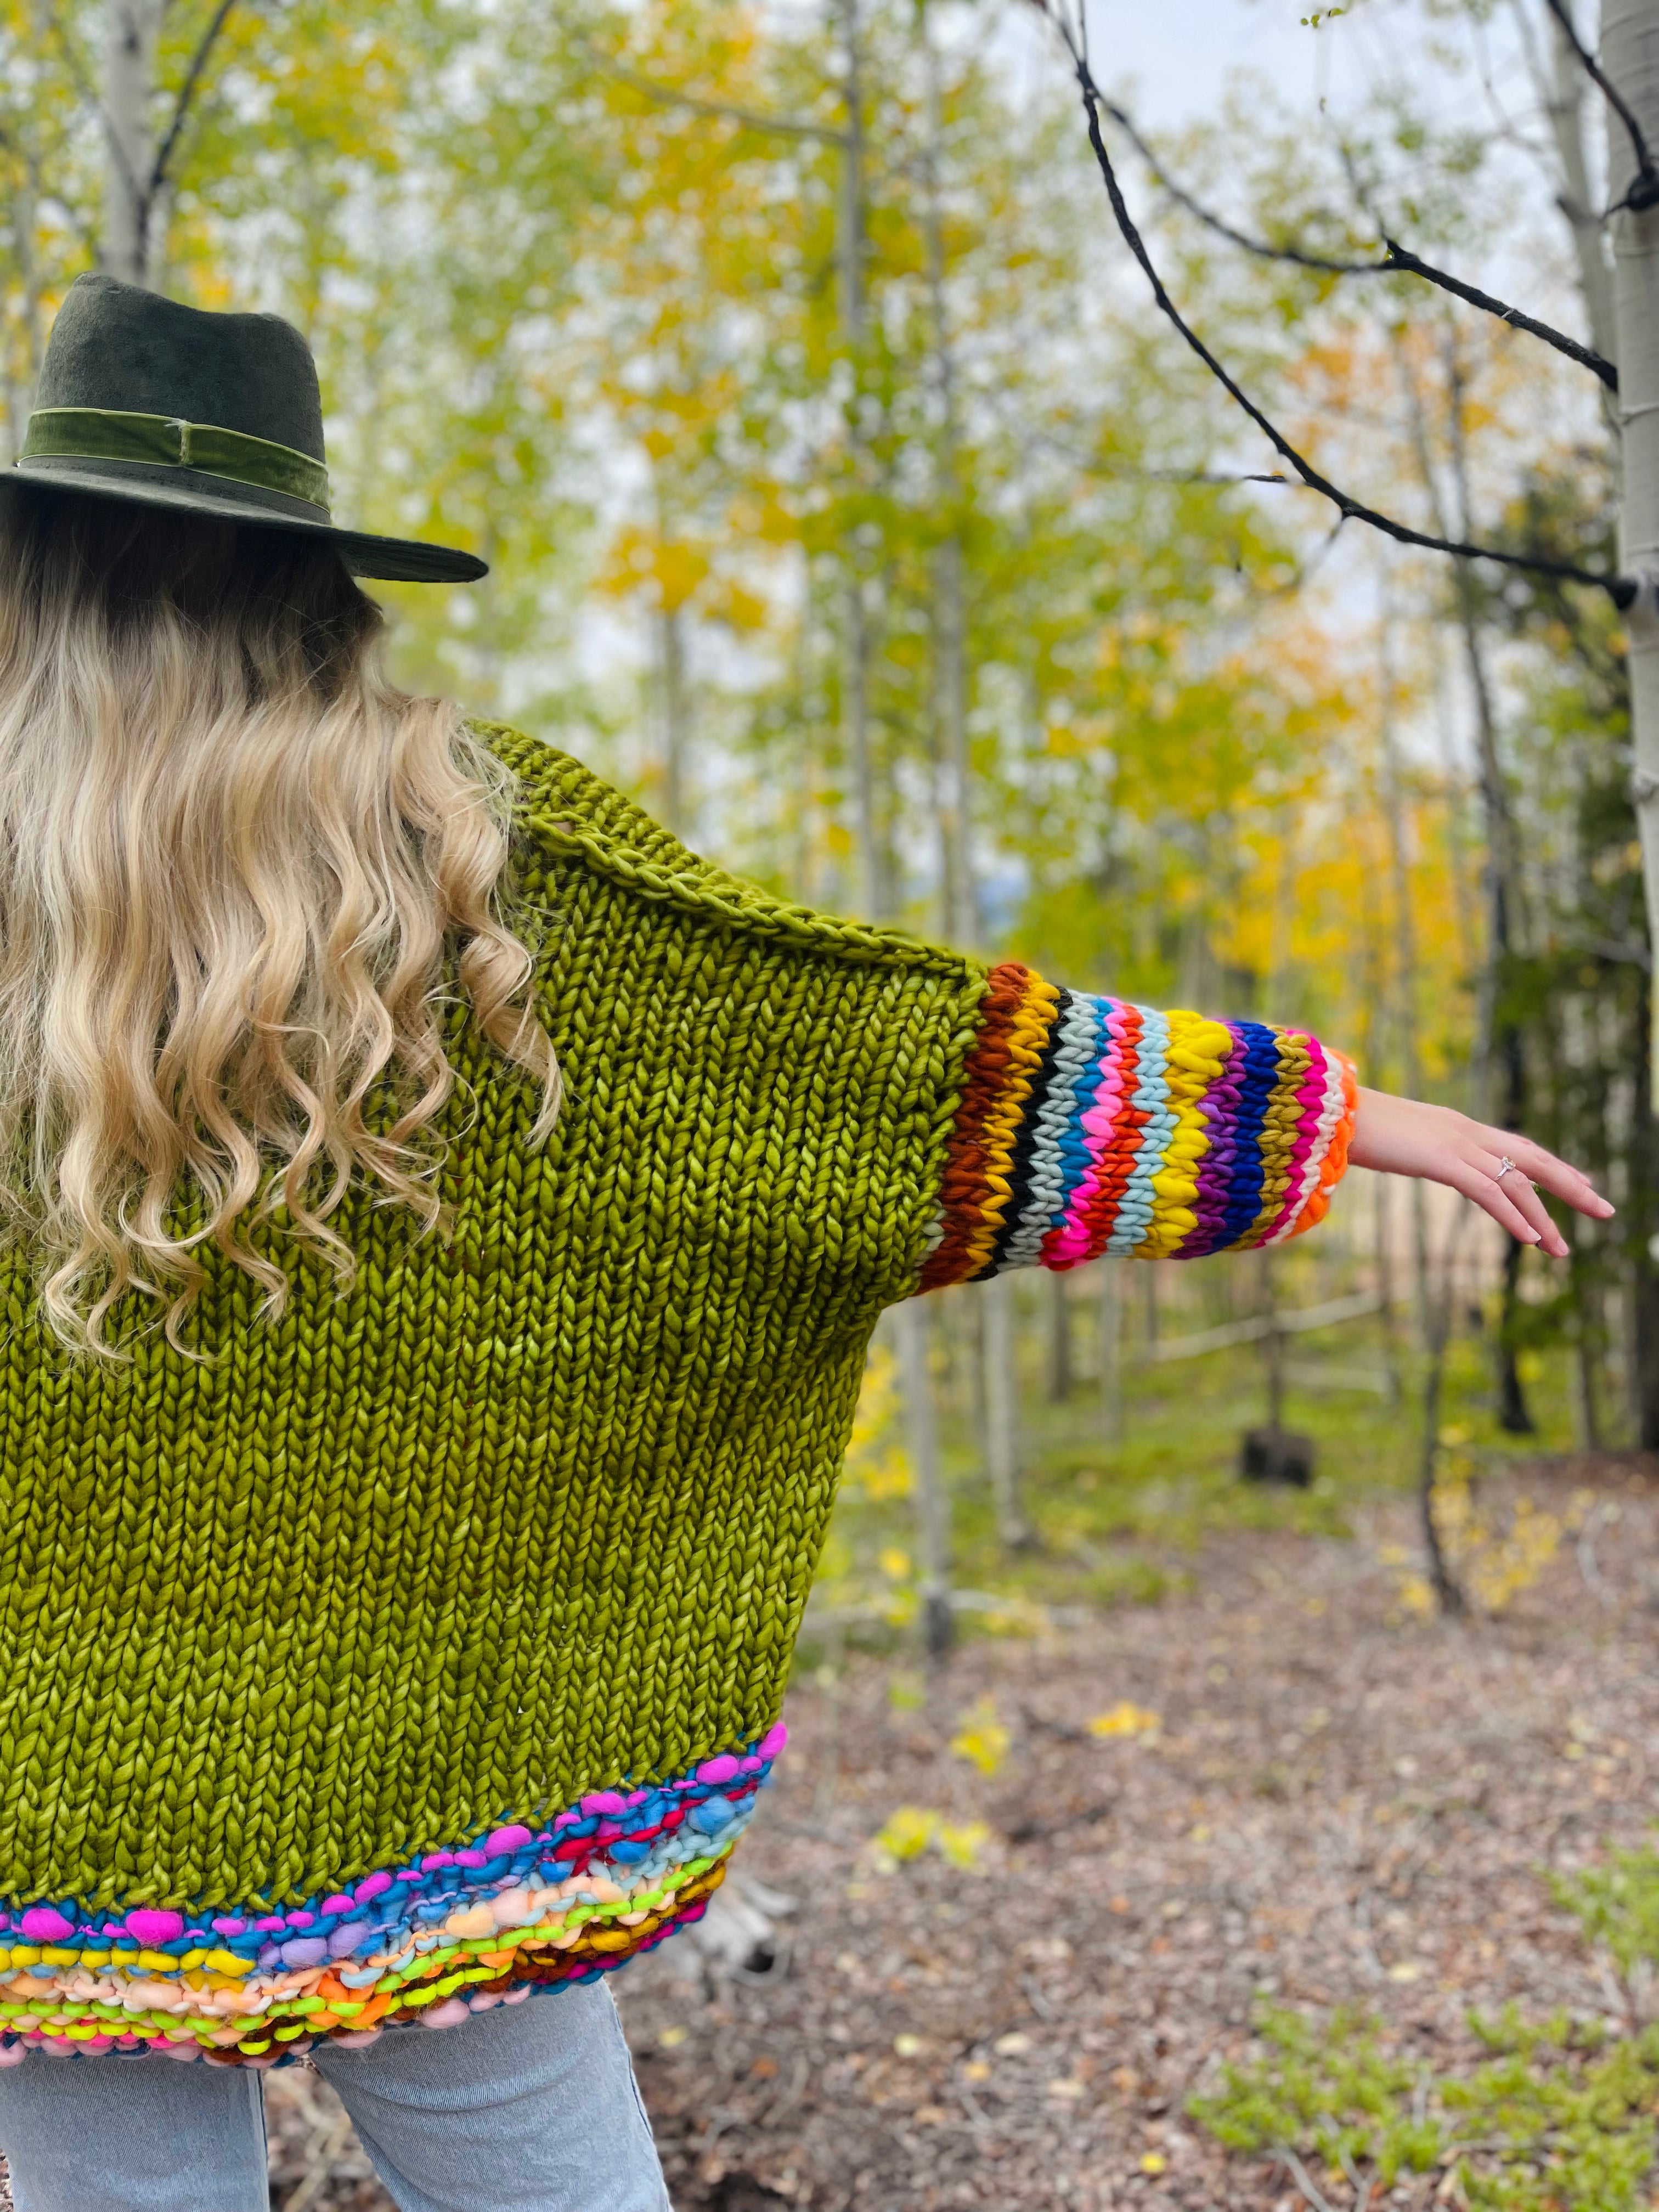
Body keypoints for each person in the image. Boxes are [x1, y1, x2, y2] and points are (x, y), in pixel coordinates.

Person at [0, 272, 1610, 2212]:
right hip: (436, 1749)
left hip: (39, 1791)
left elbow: (887, 1078)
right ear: (323, 587)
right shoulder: (496, 868)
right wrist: (1338, 1118)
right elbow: (907, 1088)